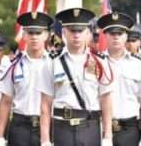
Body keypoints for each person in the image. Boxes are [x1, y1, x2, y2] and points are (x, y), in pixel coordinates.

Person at [38, 8, 113, 146]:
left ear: (87, 33)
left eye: (80, 30)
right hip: (62, 127)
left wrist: (108, 136)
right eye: (73, 30)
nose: (76, 35)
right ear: (64, 32)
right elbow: (45, 104)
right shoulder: (52, 62)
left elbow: (105, 100)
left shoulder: (100, 61)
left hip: (90, 126)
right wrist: (45, 140)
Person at [0, 12, 53, 146]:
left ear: (46, 35)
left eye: (38, 33)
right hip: (20, 127)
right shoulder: (14, 65)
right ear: (24, 35)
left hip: (50, 126)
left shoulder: (55, 64)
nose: (34, 37)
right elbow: (5, 102)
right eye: (30, 33)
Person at [97, 12, 141, 146]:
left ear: (126, 36)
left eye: (120, 33)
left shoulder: (140, 64)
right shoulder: (95, 62)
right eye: (112, 33)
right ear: (105, 35)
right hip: (99, 128)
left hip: (129, 129)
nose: (116, 37)